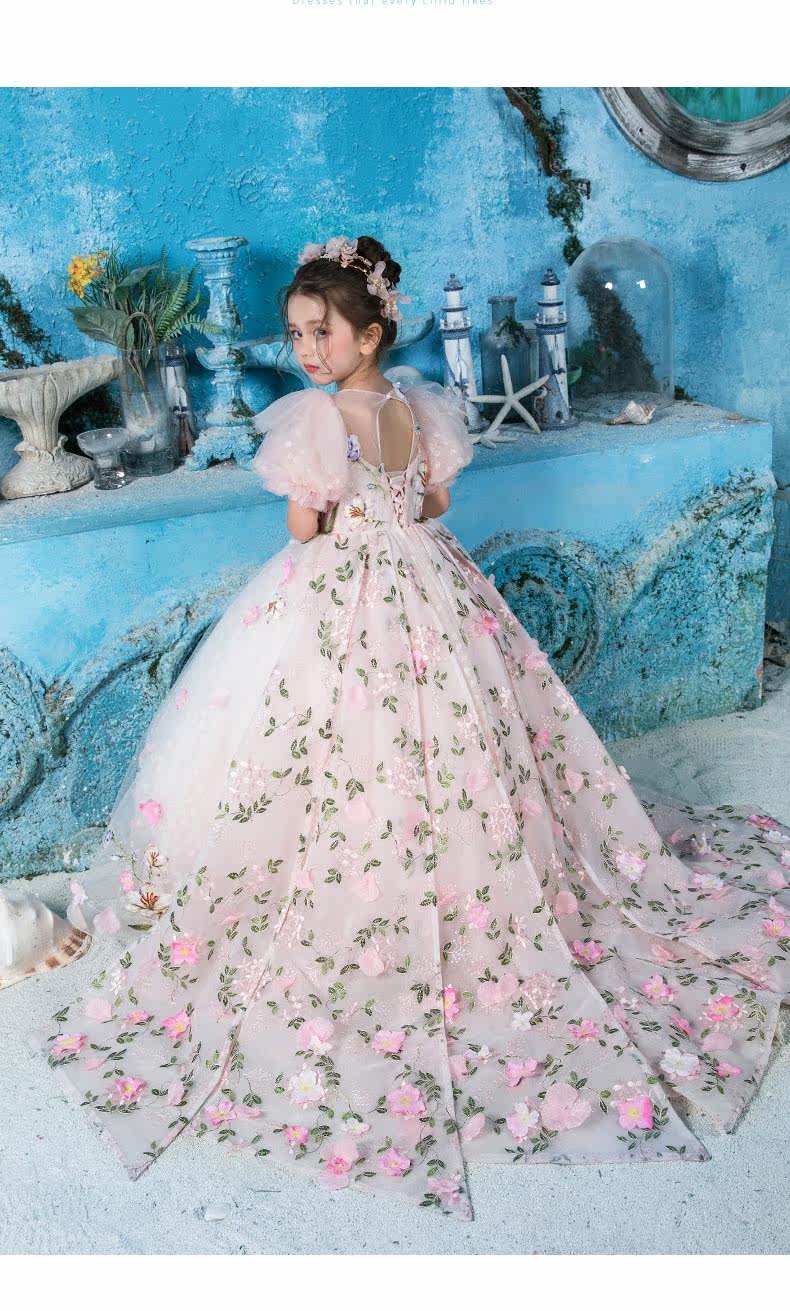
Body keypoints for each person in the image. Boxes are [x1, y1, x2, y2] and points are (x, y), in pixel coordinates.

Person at [31, 234, 790, 1223]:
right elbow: (431, 501)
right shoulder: (415, 406)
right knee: (458, 717)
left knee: (319, 735)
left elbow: (303, 527)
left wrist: (325, 514)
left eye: (320, 332)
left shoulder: (317, 419)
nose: (306, 350)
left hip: (341, 588)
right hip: (430, 581)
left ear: (369, 333)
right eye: (297, 334)